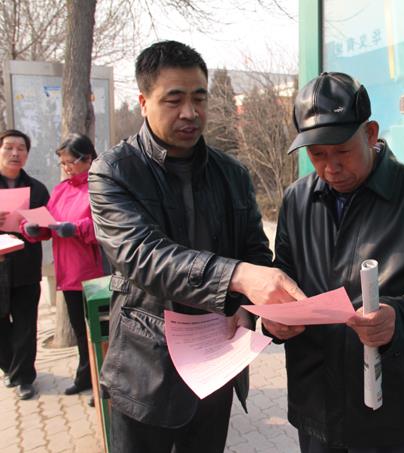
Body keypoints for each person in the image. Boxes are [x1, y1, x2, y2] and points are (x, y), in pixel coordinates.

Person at [88, 40, 305, 453]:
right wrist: (238, 277)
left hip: (217, 360)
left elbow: (254, 251)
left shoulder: (232, 173)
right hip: (147, 365)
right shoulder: (114, 172)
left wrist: (258, 308)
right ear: (144, 102)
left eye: (199, 98)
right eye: (174, 100)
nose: (190, 112)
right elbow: (142, 255)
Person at [266, 72, 404, 452]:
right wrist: (275, 318)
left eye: (342, 151)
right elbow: (285, 274)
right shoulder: (296, 200)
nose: (330, 167)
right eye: (317, 155)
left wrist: (400, 318)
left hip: (392, 410)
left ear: (371, 133)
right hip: (316, 403)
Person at [20, 133, 105, 399]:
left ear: (87, 159)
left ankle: (104, 382)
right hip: (68, 273)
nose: (67, 168)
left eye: (71, 162)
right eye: (63, 163)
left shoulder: (100, 186)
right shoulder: (60, 190)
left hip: (94, 274)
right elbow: (50, 223)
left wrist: (77, 228)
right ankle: (85, 376)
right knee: (80, 331)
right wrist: (33, 229)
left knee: (99, 333)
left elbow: (106, 226)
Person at [0, 129, 50, 401]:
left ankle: (24, 378)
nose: (15, 153)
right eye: (9, 147)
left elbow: (48, 228)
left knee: (26, 324)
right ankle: (10, 367)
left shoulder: (37, 189)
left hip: (26, 267)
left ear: (27, 155)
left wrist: (36, 226)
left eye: (21, 149)